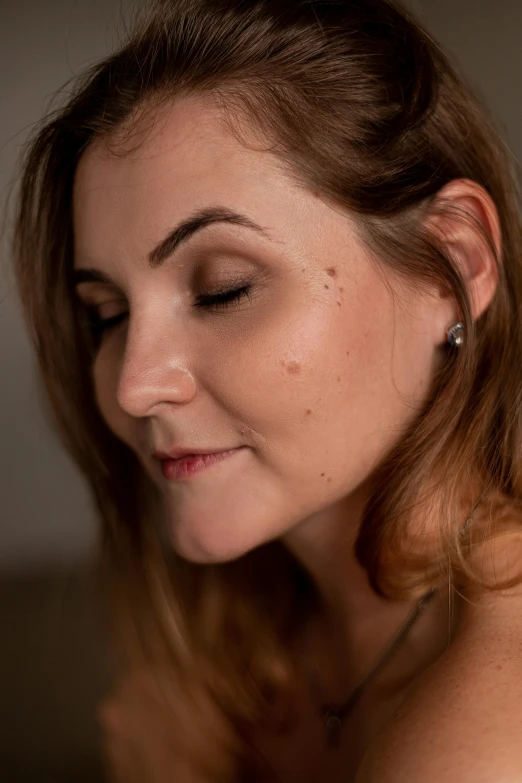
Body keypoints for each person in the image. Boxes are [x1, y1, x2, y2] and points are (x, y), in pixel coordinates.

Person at [10, 0, 522, 780]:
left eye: (223, 289)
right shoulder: (251, 645)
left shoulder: (486, 738)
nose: (135, 384)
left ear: (453, 265)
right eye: (106, 315)